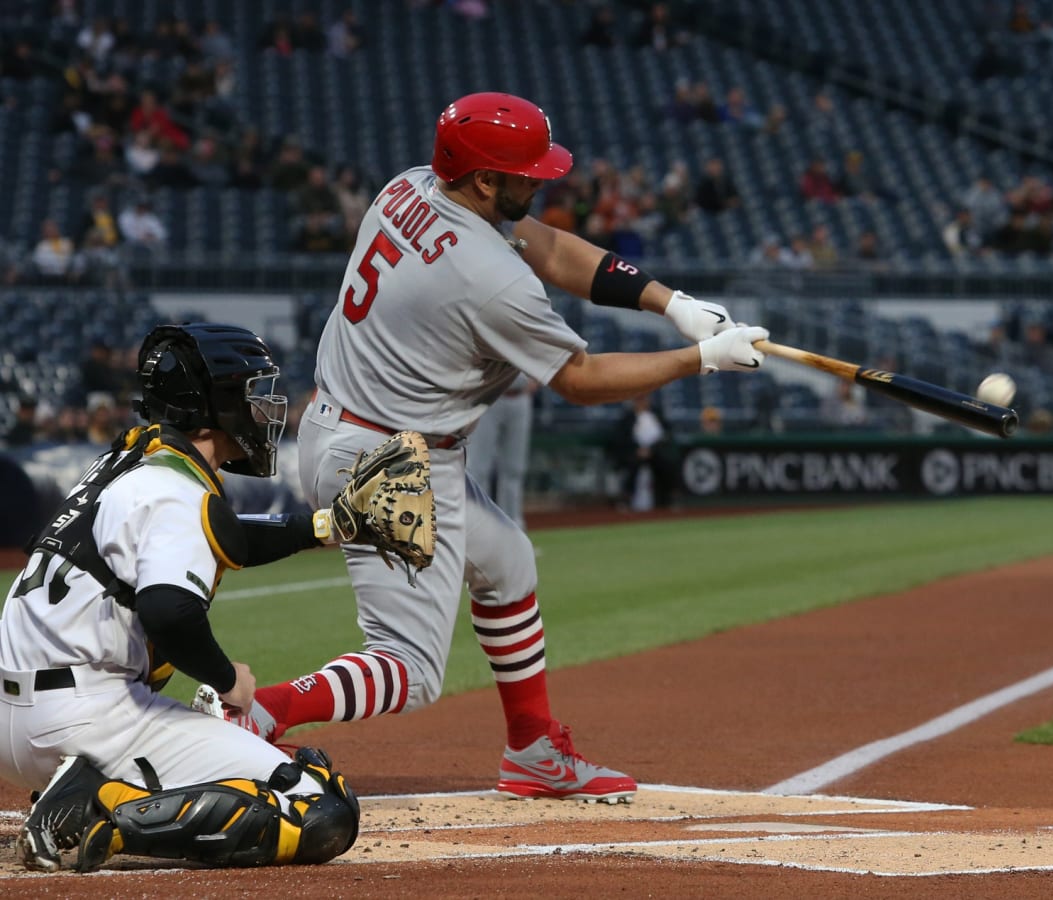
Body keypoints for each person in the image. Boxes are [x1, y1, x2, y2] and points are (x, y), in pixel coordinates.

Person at [196, 92, 768, 804]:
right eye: (524, 174)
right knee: (409, 668)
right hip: (389, 462)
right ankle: (256, 711)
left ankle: (532, 750)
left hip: (353, 428)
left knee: (508, 561)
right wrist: (702, 358)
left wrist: (671, 303)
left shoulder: (412, 184)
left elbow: (553, 247)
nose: (541, 183)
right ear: (484, 180)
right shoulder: (485, 278)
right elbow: (582, 380)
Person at [0, 323, 360, 873]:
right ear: (217, 404)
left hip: (19, 712)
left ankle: (95, 783)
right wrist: (226, 678)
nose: (263, 409)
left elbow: (227, 535)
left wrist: (326, 527)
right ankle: (99, 810)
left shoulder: (130, 463)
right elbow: (169, 612)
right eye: (252, 393)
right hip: (84, 715)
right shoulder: (175, 490)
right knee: (321, 809)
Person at [466, 373, 537, 531]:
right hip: (488, 397)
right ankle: (478, 528)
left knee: (515, 469)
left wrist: (537, 381)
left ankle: (513, 529)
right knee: (478, 468)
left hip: (520, 396)